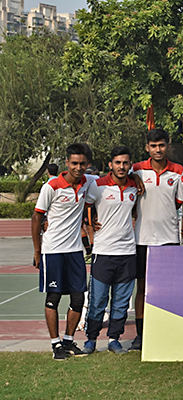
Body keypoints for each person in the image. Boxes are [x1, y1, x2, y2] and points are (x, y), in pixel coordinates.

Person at [31, 143, 91, 360]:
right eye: (74, 163)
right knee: (53, 297)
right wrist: (37, 251)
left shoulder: (87, 182)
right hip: (53, 251)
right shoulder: (52, 186)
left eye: (82, 164)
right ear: (67, 163)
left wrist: (135, 179)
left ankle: (68, 341)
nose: (78, 167)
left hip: (75, 251)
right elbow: (37, 217)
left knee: (78, 298)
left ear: (87, 164)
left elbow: (112, 179)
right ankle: (55, 345)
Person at [130, 128, 183, 350]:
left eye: (161, 145)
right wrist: (134, 176)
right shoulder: (136, 170)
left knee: (168, 289)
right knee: (142, 288)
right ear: (147, 148)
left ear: (167, 146)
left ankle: (166, 332)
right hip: (142, 238)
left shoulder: (178, 171)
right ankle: (140, 335)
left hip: (169, 238)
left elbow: (180, 202)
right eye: (153, 146)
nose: (158, 150)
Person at [82, 146, 138, 355]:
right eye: (117, 163)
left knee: (121, 302)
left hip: (127, 252)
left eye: (125, 163)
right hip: (103, 252)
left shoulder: (134, 186)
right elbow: (85, 206)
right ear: (110, 164)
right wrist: (90, 223)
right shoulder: (98, 186)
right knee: (98, 300)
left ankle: (114, 339)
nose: (121, 166)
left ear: (130, 165)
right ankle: (91, 339)